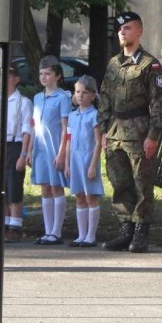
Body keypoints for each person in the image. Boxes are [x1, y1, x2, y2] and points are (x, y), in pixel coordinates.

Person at [97, 11, 162, 253]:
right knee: (120, 183)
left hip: (139, 131)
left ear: (139, 31)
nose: (122, 32)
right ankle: (125, 229)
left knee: (142, 184)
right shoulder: (114, 63)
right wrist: (104, 129)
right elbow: (105, 97)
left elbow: (159, 103)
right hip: (115, 132)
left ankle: (140, 232)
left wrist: (153, 135)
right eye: (120, 29)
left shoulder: (150, 64)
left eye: (127, 28)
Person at [0, 63, 33, 243]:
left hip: (14, 145)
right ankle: (1, 226)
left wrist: (23, 154)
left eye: (4, 76)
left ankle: (15, 227)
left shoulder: (23, 102)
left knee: (14, 188)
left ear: (16, 79)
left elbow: (27, 129)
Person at [31, 55, 71, 245]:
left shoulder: (63, 97)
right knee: (45, 187)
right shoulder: (37, 97)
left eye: (48, 74)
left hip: (55, 146)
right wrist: (30, 150)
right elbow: (34, 126)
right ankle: (47, 231)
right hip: (40, 147)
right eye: (41, 74)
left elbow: (65, 127)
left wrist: (62, 151)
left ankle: (56, 231)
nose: (44, 77)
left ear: (57, 76)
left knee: (56, 187)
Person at [65, 76, 104, 247]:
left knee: (91, 197)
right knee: (79, 197)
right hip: (75, 159)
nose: (80, 95)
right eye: (78, 92)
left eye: (85, 92)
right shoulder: (72, 116)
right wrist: (67, 163)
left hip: (88, 159)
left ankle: (91, 235)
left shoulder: (94, 115)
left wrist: (93, 165)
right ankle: (81, 235)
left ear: (93, 95)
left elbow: (97, 142)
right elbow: (68, 141)